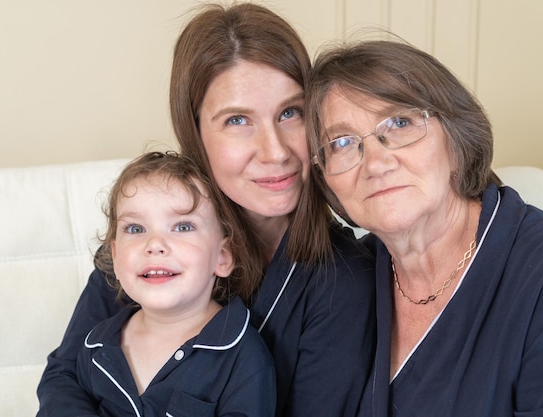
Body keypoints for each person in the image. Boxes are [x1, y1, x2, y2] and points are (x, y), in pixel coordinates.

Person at [36, 4, 375, 417]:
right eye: (237, 120)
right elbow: (65, 376)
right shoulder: (147, 238)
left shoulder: (342, 281)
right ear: (194, 132)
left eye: (290, 112)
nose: (275, 152)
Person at [307, 37, 543, 416]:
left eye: (399, 122)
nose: (376, 163)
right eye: (343, 142)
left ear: (456, 138)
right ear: (326, 178)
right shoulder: (348, 278)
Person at [77, 151, 275, 416]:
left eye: (182, 227)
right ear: (114, 256)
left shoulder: (243, 356)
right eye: (136, 229)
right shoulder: (96, 347)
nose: (155, 244)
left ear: (223, 257)